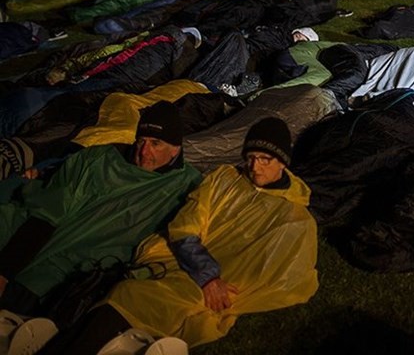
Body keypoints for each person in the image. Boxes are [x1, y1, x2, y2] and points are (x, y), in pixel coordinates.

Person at [42, 118, 319, 353]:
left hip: (216, 280)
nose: (255, 167)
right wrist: (206, 274)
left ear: (282, 162)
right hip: (187, 261)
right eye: (251, 158)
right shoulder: (226, 178)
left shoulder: (294, 217)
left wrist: (214, 280)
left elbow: (277, 271)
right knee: (125, 292)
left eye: (265, 160)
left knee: (144, 296)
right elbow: (188, 223)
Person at [0, 101, 201, 316]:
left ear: (175, 150)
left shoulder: (187, 186)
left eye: (155, 143)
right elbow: (48, 211)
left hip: (80, 268)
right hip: (38, 239)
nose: (144, 151)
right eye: (141, 141)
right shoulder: (101, 160)